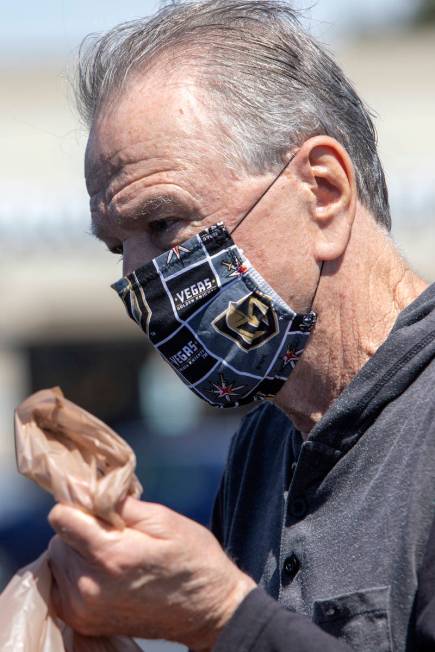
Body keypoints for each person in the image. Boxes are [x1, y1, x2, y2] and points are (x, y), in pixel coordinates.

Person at [48, 1, 435, 650]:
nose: (143, 280)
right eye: (119, 249)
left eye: (163, 223)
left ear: (322, 191)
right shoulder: (263, 446)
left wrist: (221, 615)